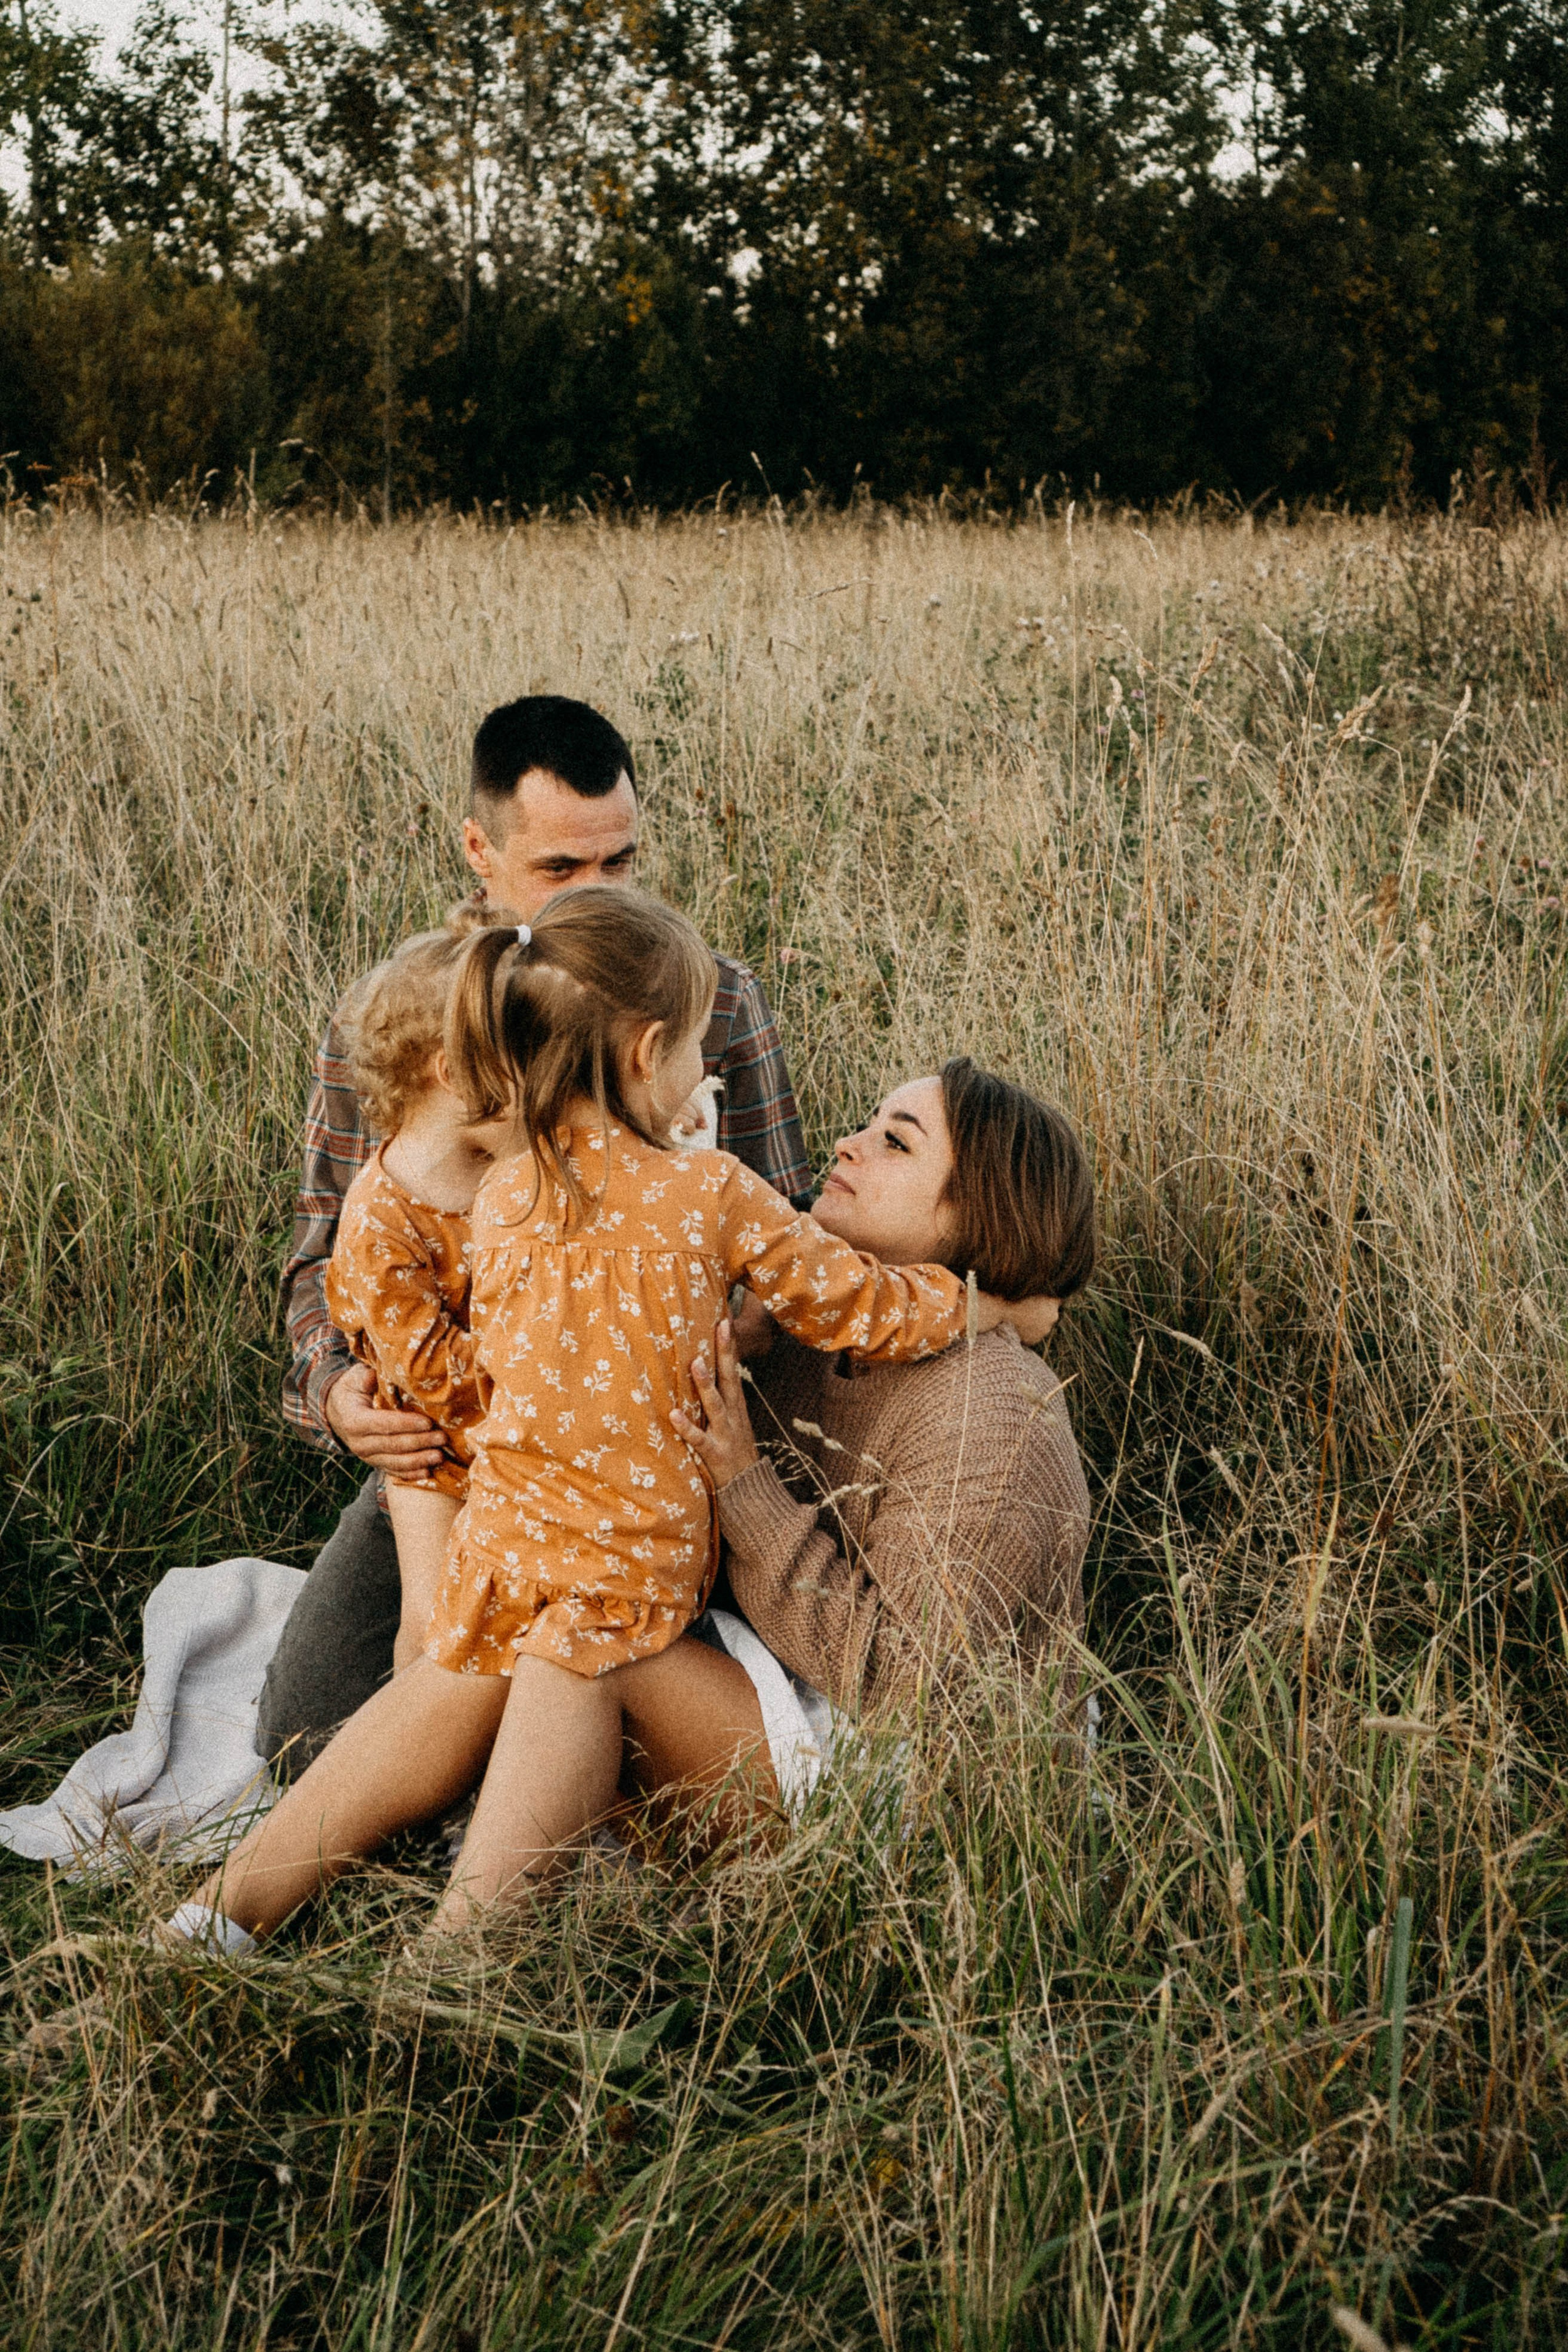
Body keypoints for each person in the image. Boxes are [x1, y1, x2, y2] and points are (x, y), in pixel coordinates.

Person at [168, 889, 1028, 1953]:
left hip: (522, 1536)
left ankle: (229, 1910)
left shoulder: (505, 1195)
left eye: (893, 1141)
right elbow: (857, 1301)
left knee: (494, 1651)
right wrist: (992, 1301)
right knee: (554, 1641)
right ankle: (452, 1964)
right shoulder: (712, 1193)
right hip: (630, 1565)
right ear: (646, 1052)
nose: (706, 1078)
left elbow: (510, 1364)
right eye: (696, 1054)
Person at [258, 695, 812, 1770]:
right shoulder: (404, 1017)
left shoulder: (716, 1002)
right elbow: (318, 1268)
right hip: (463, 1449)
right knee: (303, 1738)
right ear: (480, 851)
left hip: (657, 1458)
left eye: (621, 863)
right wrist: (340, 1395)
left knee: (619, 1712)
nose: (598, 895)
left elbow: (784, 1235)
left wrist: (737, 1322)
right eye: (562, 870)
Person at [667, 1057, 1095, 1796]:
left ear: (980, 1213)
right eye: (868, 1123)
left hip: (917, 1785)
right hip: (778, 1674)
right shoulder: (817, 1323)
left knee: (590, 1646)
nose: (846, 1144)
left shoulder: (988, 1414)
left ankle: (468, 1891)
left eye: (896, 1143)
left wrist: (744, 1489)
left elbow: (907, 1684)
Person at [321, 898, 519, 1673]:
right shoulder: (381, 1220)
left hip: (510, 1431)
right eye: (524, 1060)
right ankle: (415, 1748)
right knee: (436, 1624)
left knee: (510, 1612)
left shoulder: (509, 1162)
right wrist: (544, 1387)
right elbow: (430, 1372)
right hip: (433, 1450)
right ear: (456, 1074)